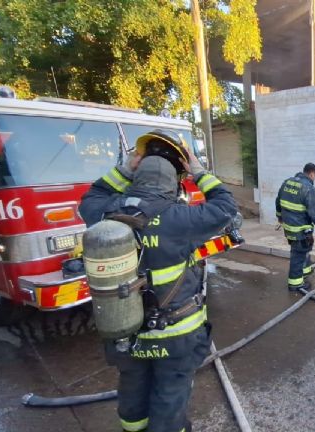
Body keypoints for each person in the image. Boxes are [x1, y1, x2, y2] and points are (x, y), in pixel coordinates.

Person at [79, 130, 237, 432]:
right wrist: (199, 172)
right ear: (175, 181)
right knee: (170, 396)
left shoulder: (105, 213)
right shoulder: (180, 218)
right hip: (176, 334)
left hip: (126, 331)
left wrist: (125, 170)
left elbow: (92, 196)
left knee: (133, 390)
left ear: (137, 176)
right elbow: (226, 206)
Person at [275, 163, 315, 292]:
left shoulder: (287, 182)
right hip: (300, 228)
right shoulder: (309, 188)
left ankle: (306, 270)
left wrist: (280, 217)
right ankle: (295, 283)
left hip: (288, 226)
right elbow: (314, 211)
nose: (314, 178)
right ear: (312, 174)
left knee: (304, 248)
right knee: (298, 253)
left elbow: (278, 201)